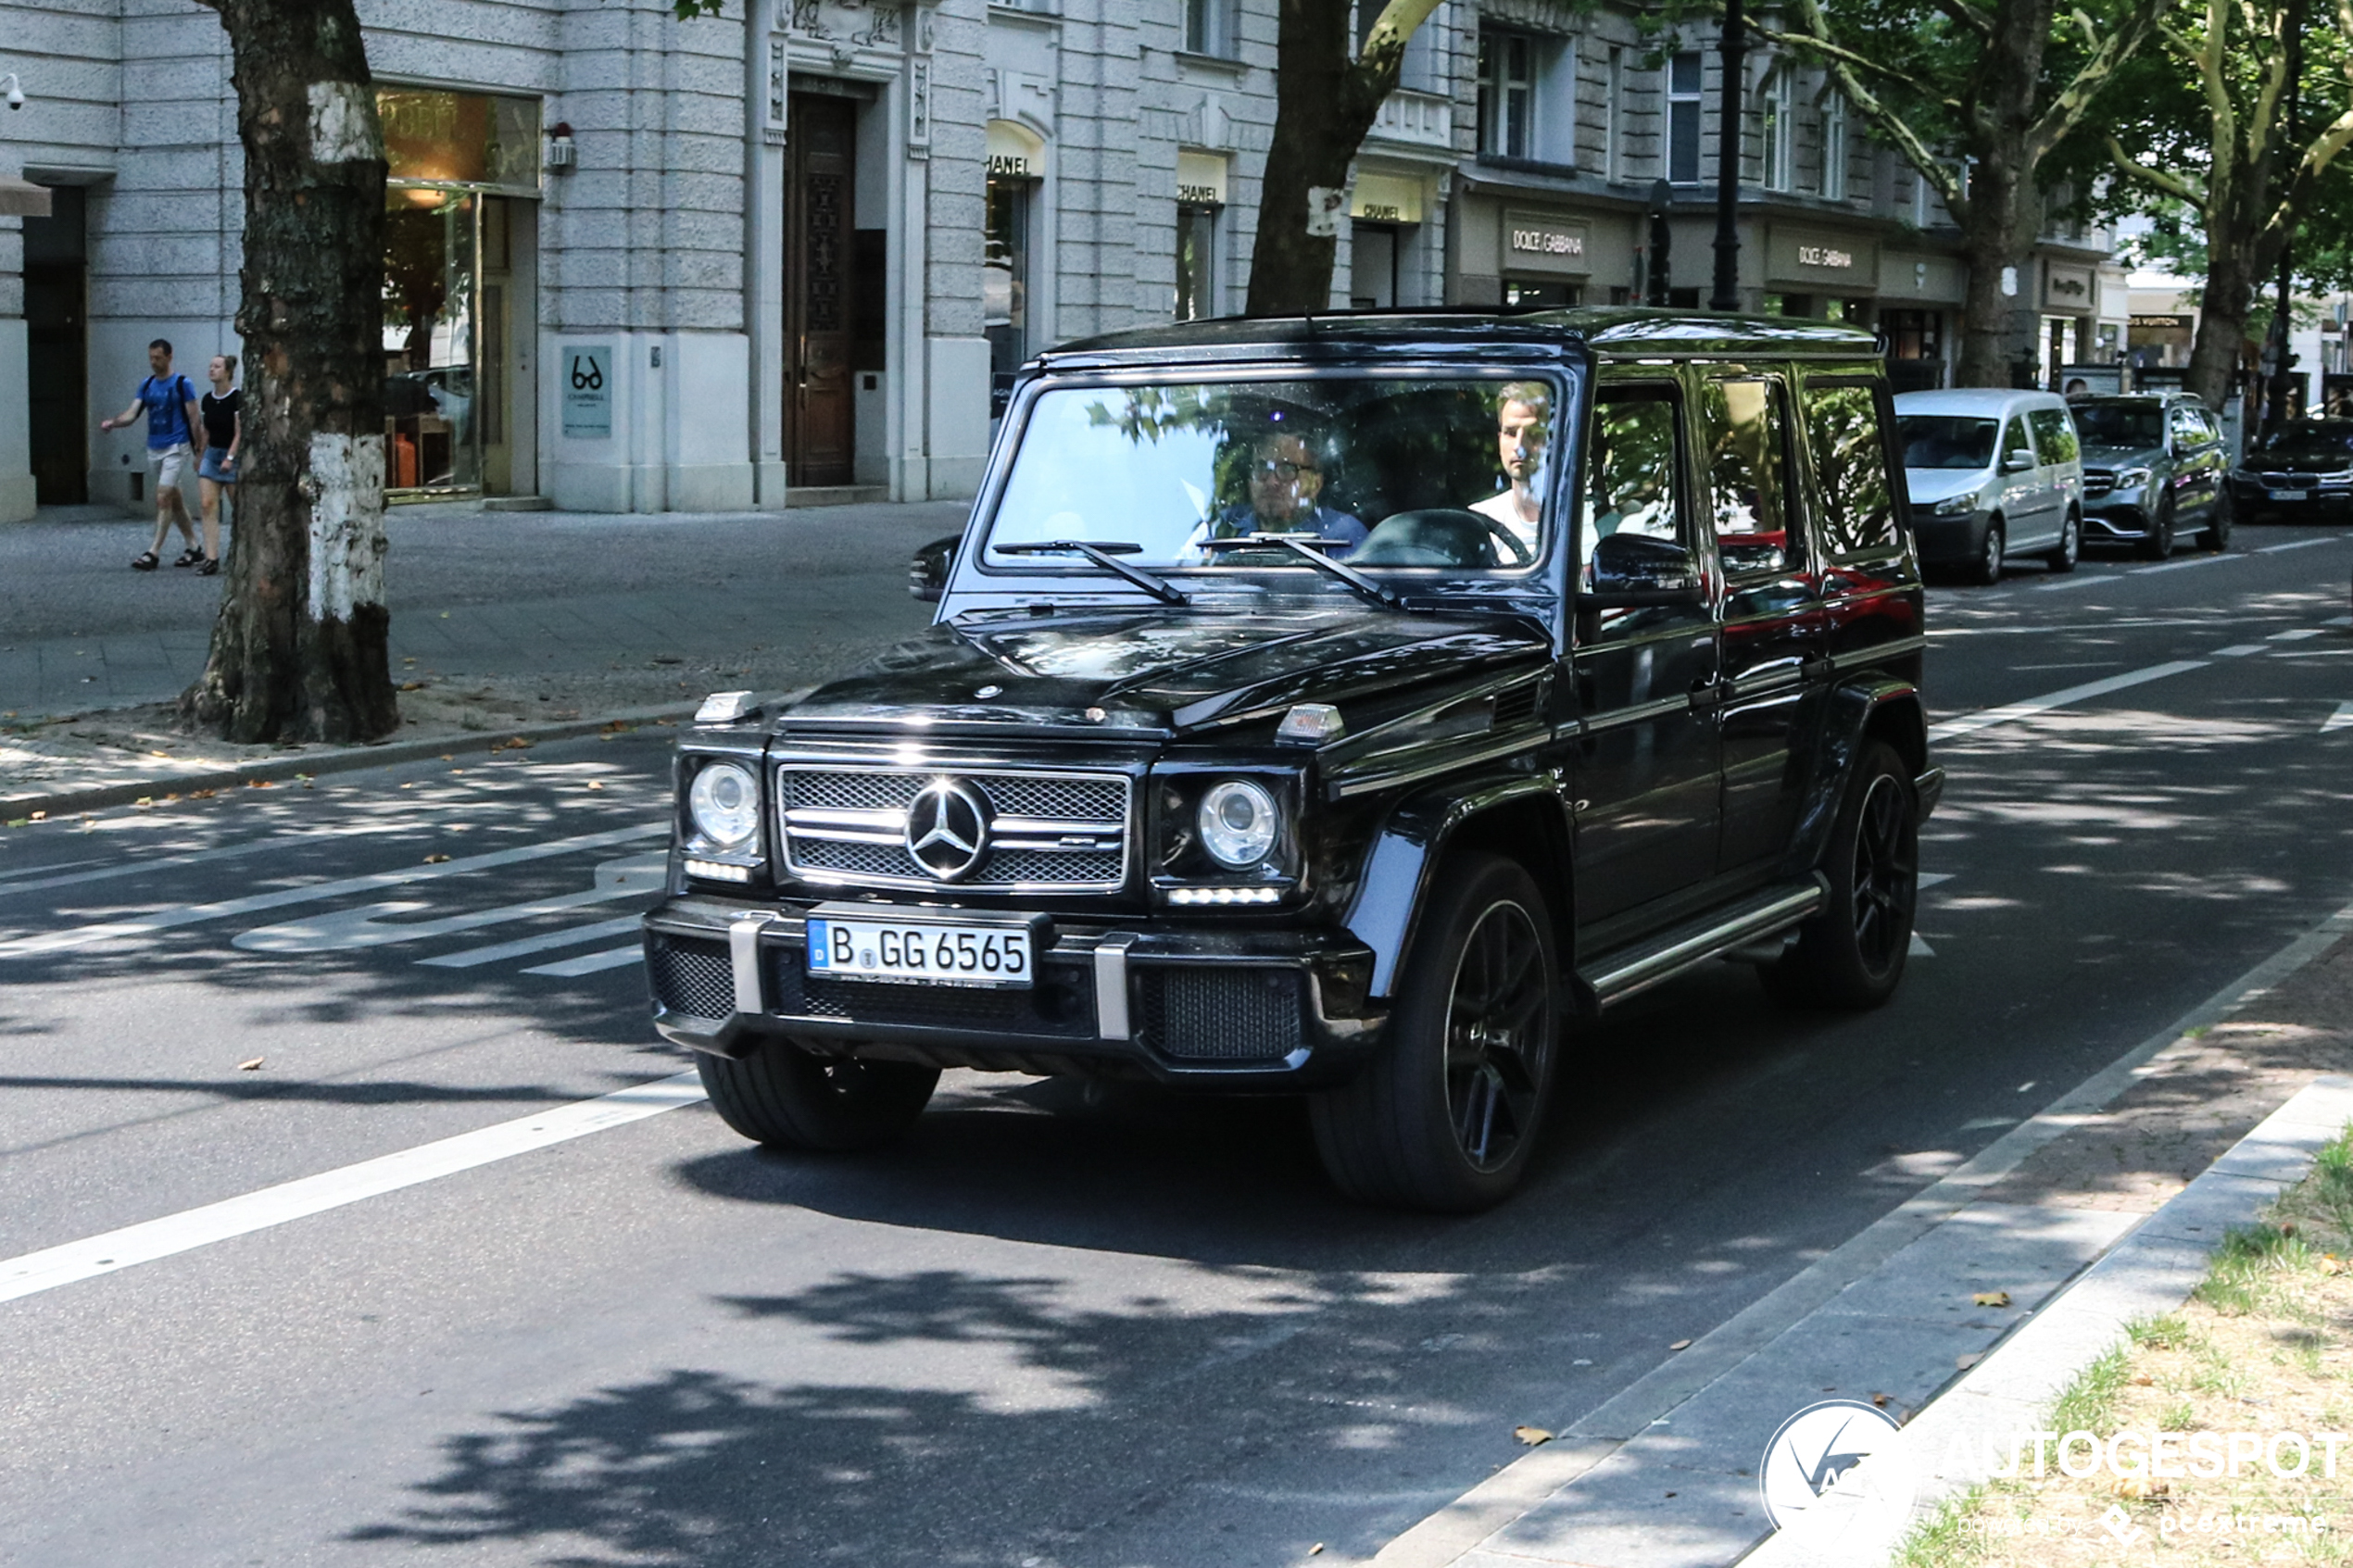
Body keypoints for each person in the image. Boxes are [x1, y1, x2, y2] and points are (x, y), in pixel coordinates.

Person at [98, 339, 204, 571]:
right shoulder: (147, 385)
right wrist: (113, 423)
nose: (154, 362)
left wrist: (199, 451)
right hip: (154, 447)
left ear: (169, 357)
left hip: (177, 446)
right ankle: (194, 547)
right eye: (151, 358)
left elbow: (195, 418)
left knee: (163, 496)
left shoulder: (182, 384)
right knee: (174, 498)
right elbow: (132, 413)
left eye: (158, 357)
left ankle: (153, 552)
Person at [1197, 425, 1367, 555]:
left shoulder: (1344, 534)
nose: (1272, 481)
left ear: (1315, 483)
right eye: (1262, 468)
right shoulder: (1220, 528)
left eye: (1287, 470)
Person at [1469, 381, 1552, 553]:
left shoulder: (1589, 524)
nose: (1519, 446)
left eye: (1534, 434)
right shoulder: (1476, 524)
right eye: (1510, 433)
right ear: (1500, 438)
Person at [194, 354, 240, 577]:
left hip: (231, 455)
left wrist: (230, 457)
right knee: (207, 504)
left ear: (228, 371)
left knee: (238, 508)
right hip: (212, 454)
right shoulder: (207, 399)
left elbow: (240, 432)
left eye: (217, 366)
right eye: (210, 366)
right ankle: (211, 557)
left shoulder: (237, 398)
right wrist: (200, 455)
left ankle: (241, 554)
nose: (212, 369)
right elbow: (206, 430)